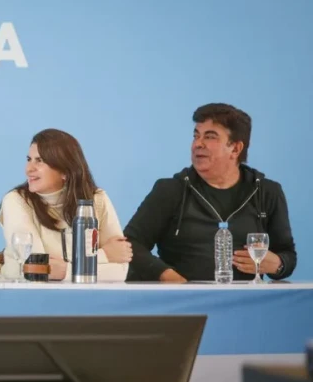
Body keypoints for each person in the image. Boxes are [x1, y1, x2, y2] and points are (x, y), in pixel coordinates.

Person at [124, 103, 296, 282]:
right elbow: (130, 244)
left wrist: (278, 264)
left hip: (247, 302)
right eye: (196, 136)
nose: (198, 144)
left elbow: (287, 255)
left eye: (210, 137)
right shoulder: (170, 190)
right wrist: (167, 276)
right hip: (184, 303)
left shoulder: (267, 192)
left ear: (235, 148)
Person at [0, 129, 132, 281]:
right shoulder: (16, 200)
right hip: (32, 296)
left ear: (65, 171)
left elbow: (120, 271)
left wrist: (65, 271)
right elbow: (36, 268)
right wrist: (104, 255)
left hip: (87, 298)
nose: (29, 169)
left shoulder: (97, 199)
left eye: (39, 161)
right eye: (29, 159)